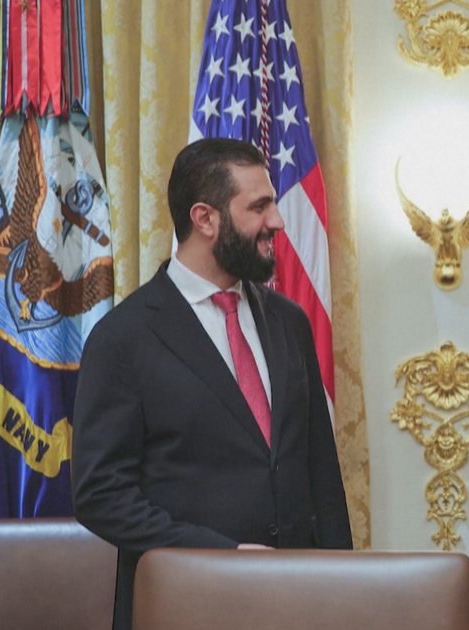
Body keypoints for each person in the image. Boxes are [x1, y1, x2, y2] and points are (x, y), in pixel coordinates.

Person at [71, 138, 352, 630]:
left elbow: (321, 475)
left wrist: (340, 589)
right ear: (205, 219)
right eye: (259, 207)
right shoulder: (124, 337)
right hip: (184, 603)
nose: (277, 222)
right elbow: (100, 494)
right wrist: (221, 553)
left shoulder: (289, 322)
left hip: (296, 603)